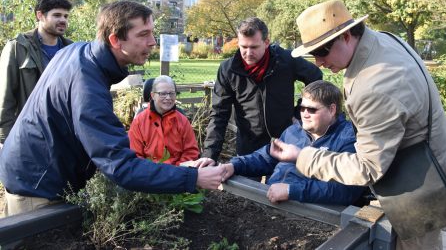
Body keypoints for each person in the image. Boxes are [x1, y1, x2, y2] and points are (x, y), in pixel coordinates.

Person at [269, 0, 446, 250]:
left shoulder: (374, 86)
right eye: (313, 53)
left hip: (422, 184)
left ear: (347, 35)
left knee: (418, 242)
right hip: (432, 161)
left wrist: (302, 156)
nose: (318, 62)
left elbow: (367, 168)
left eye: (322, 51)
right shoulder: (384, 40)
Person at [0, 1, 225, 217]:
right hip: (36, 187)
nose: (153, 42)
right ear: (116, 40)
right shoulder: (87, 85)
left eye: (152, 33)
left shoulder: (78, 52)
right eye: (143, 34)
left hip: (30, 171)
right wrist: (192, 178)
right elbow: (120, 166)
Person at [195, 17, 322, 165]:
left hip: (286, 140)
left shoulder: (285, 60)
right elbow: (218, 113)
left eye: (254, 47)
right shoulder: (228, 70)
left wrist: (300, 111)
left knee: (280, 185)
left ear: (266, 42)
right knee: (246, 186)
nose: (248, 53)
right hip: (249, 142)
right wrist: (210, 154)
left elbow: (316, 77)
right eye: (243, 47)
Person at [220, 80, 366, 206]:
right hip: (273, 201)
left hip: (315, 213)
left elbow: (346, 190)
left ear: (332, 109)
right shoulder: (294, 131)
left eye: (312, 109)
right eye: (302, 108)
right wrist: (234, 165)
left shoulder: (348, 140)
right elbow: (266, 157)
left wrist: (292, 191)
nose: (304, 114)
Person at [0, 0, 73, 145]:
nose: (63, 20)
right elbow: (5, 99)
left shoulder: (71, 50)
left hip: (64, 137)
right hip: (29, 135)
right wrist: (6, 140)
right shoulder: (17, 47)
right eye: (57, 15)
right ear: (40, 15)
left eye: (66, 16)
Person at [129, 75, 200, 165]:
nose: (168, 97)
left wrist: (175, 170)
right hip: (149, 173)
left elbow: (191, 152)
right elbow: (135, 155)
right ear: (153, 95)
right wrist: (153, 172)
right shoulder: (139, 122)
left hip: (177, 172)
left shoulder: (182, 120)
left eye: (171, 93)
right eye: (163, 94)